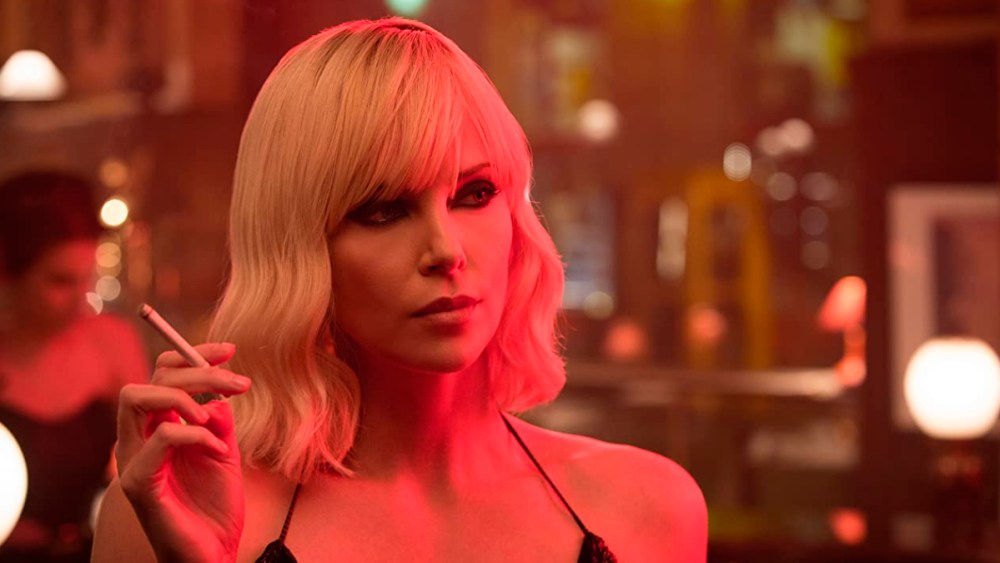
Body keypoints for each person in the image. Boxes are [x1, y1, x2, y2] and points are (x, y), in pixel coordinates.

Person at [93, 17, 707, 563]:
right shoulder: (174, 512)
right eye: (383, 210)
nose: (446, 250)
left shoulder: (650, 507)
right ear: (299, 249)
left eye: (474, 194)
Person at [0, 171, 149, 563]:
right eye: (60, 281)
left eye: (87, 278)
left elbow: (144, 463)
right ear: (8, 272)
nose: (80, 298)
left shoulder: (111, 344)